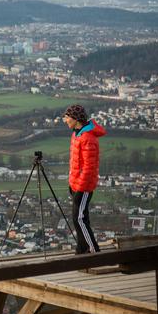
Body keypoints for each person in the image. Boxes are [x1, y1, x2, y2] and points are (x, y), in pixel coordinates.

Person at [63, 104, 106, 254]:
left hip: (84, 186)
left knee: (79, 218)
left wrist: (79, 187)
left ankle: (93, 251)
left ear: (76, 119)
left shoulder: (87, 137)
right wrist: (72, 183)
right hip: (77, 184)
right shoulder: (77, 134)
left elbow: (89, 167)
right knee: (80, 218)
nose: (65, 120)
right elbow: (75, 163)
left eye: (67, 117)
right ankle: (82, 248)